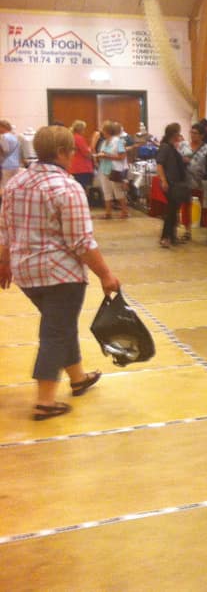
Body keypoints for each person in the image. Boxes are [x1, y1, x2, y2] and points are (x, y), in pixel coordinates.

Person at [0, 125, 119, 421]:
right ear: (64, 152)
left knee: (60, 325)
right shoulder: (67, 187)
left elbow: (5, 229)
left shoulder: (15, 183)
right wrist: (106, 275)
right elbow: (81, 242)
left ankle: (78, 378)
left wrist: (4, 262)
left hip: (26, 274)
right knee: (55, 332)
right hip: (61, 275)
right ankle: (45, 402)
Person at [156, 123, 186, 248]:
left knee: (174, 211)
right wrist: (163, 180)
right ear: (174, 134)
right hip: (170, 183)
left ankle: (172, 236)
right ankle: (166, 237)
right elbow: (159, 164)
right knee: (171, 211)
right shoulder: (165, 147)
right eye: (178, 132)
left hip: (176, 183)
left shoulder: (172, 147)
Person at [181, 122, 207, 241]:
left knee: (206, 206)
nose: (193, 135)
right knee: (186, 206)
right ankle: (187, 231)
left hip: (201, 182)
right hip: (186, 180)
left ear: (202, 135)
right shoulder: (184, 145)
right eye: (191, 132)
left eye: (196, 133)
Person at [95, 121, 128, 220]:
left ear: (107, 130)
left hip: (114, 169)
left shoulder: (118, 141)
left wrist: (107, 156)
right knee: (106, 191)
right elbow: (102, 153)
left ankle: (124, 211)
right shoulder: (104, 142)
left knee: (118, 191)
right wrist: (100, 156)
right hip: (104, 168)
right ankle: (108, 213)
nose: (101, 131)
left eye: (103, 129)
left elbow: (122, 156)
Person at [68, 120, 95, 191]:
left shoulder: (71, 137)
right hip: (82, 168)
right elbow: (86, 153)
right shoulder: (79, 138)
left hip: (73, 167)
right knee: (83, 189)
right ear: (81, 129)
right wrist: (92, 154)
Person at [0, 119, 23, 197]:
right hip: (16, 164)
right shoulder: (15, 137)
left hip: (6, 164)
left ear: (3, 127)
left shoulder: (3, 137)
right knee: (14, 185)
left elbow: (5, 150)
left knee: (5, 186)